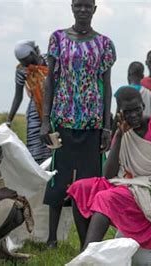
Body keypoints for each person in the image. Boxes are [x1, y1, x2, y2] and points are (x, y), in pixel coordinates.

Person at [67, 88, 151, 250]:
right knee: (80, 188)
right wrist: (119, 135)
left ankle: (86, 257)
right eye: (128, 112)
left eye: (137, 109)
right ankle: (87, 251)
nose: (133, 115)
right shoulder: (124, 131)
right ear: (120, 112)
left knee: (107, 198)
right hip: (136, 181)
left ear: (143, 106)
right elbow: (108, 175)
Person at [40, 0, 116, 248]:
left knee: (90, 182)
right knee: (58, 178)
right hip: (62, 119)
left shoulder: (104, 43)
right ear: (71, 8)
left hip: (92, 123)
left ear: (94, 10)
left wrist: (107, 126)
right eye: (78, 5)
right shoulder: (57, 38)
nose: (83, 10)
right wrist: (45, 120)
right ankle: (51, 238)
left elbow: (106, 87)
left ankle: (88, 241)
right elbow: (50, 81)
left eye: (87, 6)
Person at [7, 40, 51, 164]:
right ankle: (38, 172)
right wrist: (9, 120)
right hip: (36, 109)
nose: (24, 63)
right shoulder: (21, 70)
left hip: (56, 106)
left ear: (33, 53)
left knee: (55, 141)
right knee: (35, 144)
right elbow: (18, 96)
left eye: (25, 59)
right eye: (21, 61)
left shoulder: (49, 60)